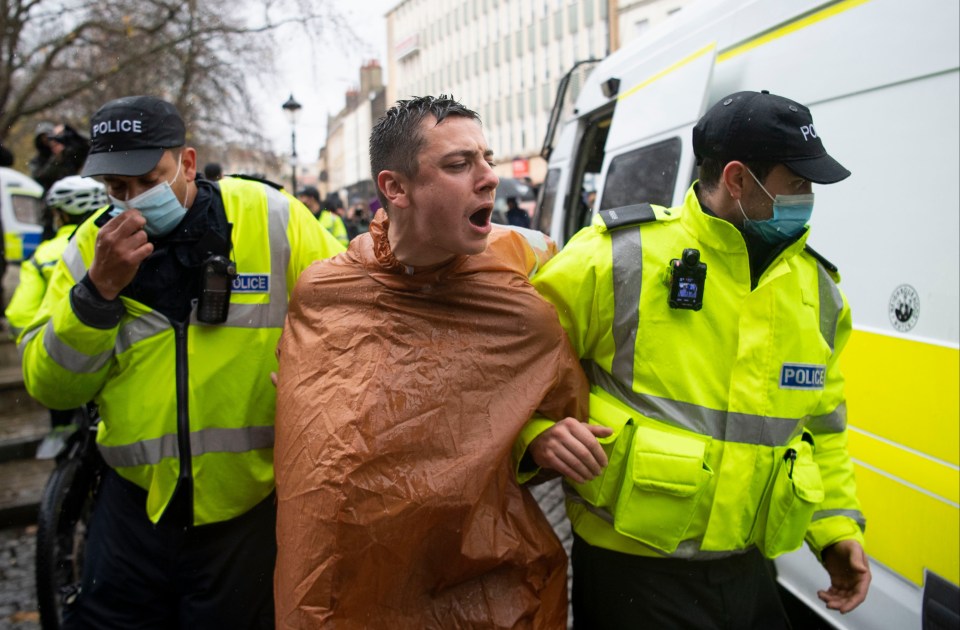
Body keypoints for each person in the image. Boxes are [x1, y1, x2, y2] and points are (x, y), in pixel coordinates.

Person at [528, 90, 871, 629]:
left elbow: (822, 429)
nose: (808, 198)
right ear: (737, 179)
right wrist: (537, 432)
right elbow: (507, 372)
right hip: (633, 576)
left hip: (749, 570)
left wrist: (836, 532)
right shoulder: (617, 258)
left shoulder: (819, 292)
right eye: (798, 184)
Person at [273, 95, 609, 628]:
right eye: (458, 164)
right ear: (395, 187)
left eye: (487, 159)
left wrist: (536, 434)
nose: (488, 178)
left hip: (485, 583)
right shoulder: (326, 291)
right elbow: (314, 433)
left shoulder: (528, 269)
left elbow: (562, 393)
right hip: (353, 585)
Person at [19, 95, 345, 629]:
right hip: (133, 507)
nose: (131, 202)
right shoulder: (87, 248)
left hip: (249, 510)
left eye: (147, 180)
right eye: (115, 189)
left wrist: (321, 378)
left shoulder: (271, 216)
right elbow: (51, 387)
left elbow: (351, 306)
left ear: (187, 164)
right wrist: (96, 294)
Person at [6, 176, 107, 455]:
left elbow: (19, 313)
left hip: (64, 362)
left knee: (65, 427)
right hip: (113, 362)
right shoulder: (120, 242)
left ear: (60, 214)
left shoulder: (44, 254)